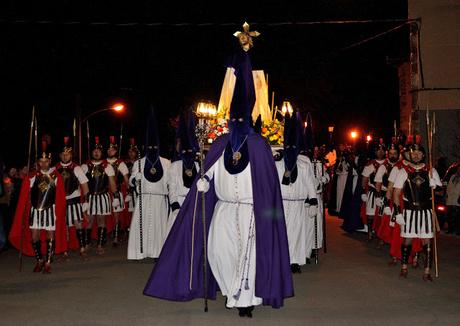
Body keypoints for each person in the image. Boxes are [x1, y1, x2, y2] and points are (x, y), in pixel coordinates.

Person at [143, 33, 293, 318]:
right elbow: (208, 173)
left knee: (248, 258)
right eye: (233, 119)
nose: (236, 123)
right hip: (224, 211)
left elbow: (268, 184)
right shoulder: (221, 144)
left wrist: (268, 213)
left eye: (241, 118)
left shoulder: (261, 146)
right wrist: (204, 181)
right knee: (218, 253)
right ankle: (230, 288)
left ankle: (244, 299)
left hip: (251, 212)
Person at [9, 140, 67, 273]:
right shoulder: (32, 177)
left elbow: (60, 197)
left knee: (50, 235)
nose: (44, 163)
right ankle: (39, 260)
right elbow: (26, 196)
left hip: (50, 210)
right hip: (35, 211)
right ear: (38, 163)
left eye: (46, 161)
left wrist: (59, 212)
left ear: (49, 162)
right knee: (34, 236)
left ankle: (47, 262)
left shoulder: (55, 176)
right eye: (41, 161)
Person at [392, 135, 442, 280]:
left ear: (423, 155)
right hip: (409, 212)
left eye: (419, 153)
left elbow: (440, 191)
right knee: (407, 239)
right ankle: (404, 267)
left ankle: (427, 271)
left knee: (427, 241)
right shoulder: (404, 171)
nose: (416, 155)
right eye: (413, 153)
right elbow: (396, 193)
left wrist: (435, 185)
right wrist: (398, 213)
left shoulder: (431, 170)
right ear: (410, 155)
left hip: (426, 212)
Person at [275, 112, 317, 273]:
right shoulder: (277, 164)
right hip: (281, 203)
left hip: (298, 204)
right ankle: (281, 259)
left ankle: (294, 261)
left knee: (296, 233)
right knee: (281, 232)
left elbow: (309, 183)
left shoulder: (304, 163)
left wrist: (313, 201)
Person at [127, 110, 171, 260]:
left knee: (159, 227)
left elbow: (170, 181)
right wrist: (135, 179)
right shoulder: (139, 163)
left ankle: (158, 253)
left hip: (159, 200)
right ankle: (140, 252)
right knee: (142, 225)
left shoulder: (166, 163)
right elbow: (131, 180)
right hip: (144, 199)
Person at [55, 137, 90, 259]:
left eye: (67, 154)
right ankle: (64, 251)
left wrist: (85, 202)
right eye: (63, 154)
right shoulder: (55, 169)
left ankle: (82, 248)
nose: (65, 156)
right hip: (60, 202)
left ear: (71, 155)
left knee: (78, 224)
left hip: (74, 199)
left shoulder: (76, 168)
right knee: (63, 226)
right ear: (60, 155)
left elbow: (85, 186)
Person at [81, 137, 117, 255]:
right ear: (91, 152)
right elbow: (81, 184)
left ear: (101, 152)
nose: (96, 152)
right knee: (89, 221)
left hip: (103, 197)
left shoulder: (107, 166)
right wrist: (84, 200)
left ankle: (100, 245)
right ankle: (86, 244)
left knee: (102, 220)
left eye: (98, 151)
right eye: (94, 150)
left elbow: (112, 183)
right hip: (89, 197)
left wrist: (115, 197)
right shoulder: (85, 166)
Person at [166, 111, 199, 235]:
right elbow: (172, 185)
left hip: (193, 203)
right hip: (179, 203)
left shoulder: (198, 165)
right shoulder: (175, 166)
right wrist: (174, 203)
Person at [361, 140, 387, 241]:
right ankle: (370, 232)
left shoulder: (388, 164)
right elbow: (365, 179)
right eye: (378, 150)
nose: (380, 152)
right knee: (371, 213)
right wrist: (363, 192)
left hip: (384, 193)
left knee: (383, 214)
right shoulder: (370, 164)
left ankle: (381, 234)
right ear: (375, 152)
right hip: (372, 193)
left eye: (382, 150)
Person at [106, 136, 130, 246]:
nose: (110, 151)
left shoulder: (120, 163)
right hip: (105, 192)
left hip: (116, 192)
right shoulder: (103, 162)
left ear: (116, 151)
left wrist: (129, 190)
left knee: (116, 214)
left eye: (112, 150)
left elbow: (126, 178)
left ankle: (116, 236)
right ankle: (107, 234)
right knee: (106, 214)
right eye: (109, 149)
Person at [311, 145, 330, 259]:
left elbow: (327, 177)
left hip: (317, 196)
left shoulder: (320, 164)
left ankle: (315, 247)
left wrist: (324, 179)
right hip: (307, 198)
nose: (315, 152)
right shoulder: (305, 162)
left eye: (317, 150)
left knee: (317, 222)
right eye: (314, 150)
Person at [123, 138, 139, 240]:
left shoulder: (139, 163)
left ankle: (135, 230)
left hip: (137, 189)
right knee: (127, 212)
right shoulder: (125, 163)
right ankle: (126, 230)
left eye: (132, 152)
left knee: (136, 210)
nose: (131, 153)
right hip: (126, 189)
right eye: (129, 152)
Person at [445, 164, 460, 235]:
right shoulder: (453, 176)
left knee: (457, 217)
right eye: (458, 169)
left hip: (458, 200)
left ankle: (457, 230)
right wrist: (447, 195)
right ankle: (450, 229)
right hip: (450, 199)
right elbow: (449, 186)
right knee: (448, 216)